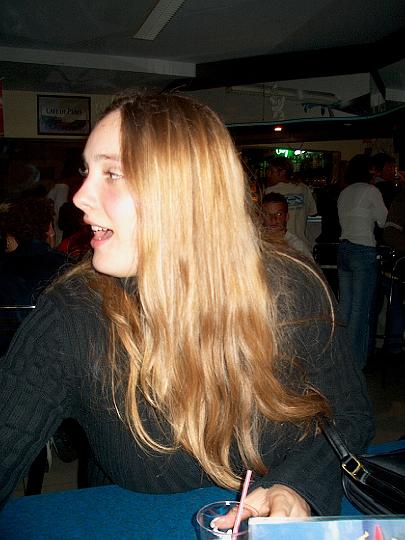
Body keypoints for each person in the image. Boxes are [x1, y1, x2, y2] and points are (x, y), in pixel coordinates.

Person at [0, 93, 373, 518]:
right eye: (88, 172)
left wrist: (298, 486)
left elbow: (349, 413)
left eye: (112, 173)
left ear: (186, 191)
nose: (79, 197)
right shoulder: (72, 317)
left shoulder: (292, 288)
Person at [337, 154, 387, 369]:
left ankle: (341, 357)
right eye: (373, 169)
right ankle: (357, 363)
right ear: (367, 171)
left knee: (345, 306)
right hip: (363, 250)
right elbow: (383, 220)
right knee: (361, 309)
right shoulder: (371, 191)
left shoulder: (344, 192)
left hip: (344, 249)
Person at [264, 156, 317, 245]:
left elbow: (264, 218)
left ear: (283, 172)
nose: (268, 175)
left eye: (271, 171)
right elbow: (312, 212)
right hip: (301, 243)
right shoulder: (303, 188)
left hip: (281, 244)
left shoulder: (269, 191)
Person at [262, 192, 314, 260]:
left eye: (279, 214)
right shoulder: (257, 244)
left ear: (286, 217)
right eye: (267, 215)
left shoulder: (297, 247)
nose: (273, 219)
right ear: (261, 217)